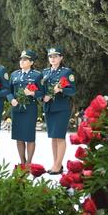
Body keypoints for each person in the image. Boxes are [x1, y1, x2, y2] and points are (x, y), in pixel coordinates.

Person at [41, 46, 76, 174]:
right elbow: (41, 89)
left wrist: (60, 89)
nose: (53, 59)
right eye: (50, 56)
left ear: (61, 58)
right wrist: (42, 97)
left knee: (60, 137)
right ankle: (56, 163)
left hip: (62, 108)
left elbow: (72, 91)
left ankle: (57, 165)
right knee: (53, 137)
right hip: (49, 108)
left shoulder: (66, 72)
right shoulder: (45, 72)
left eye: (55, 56)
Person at [9, 49, 44, 164]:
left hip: (30, 109)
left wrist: (33, 93)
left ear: (31, 62)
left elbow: (42, 92)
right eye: (21, 59)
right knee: (18, 137)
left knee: (29, 137)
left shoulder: (37, 75)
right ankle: (22, 162)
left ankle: (29, 163)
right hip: (16, 109)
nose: (22, 61)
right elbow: (9, 91)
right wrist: (11, 99)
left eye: (25, 60)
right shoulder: (14, 74)